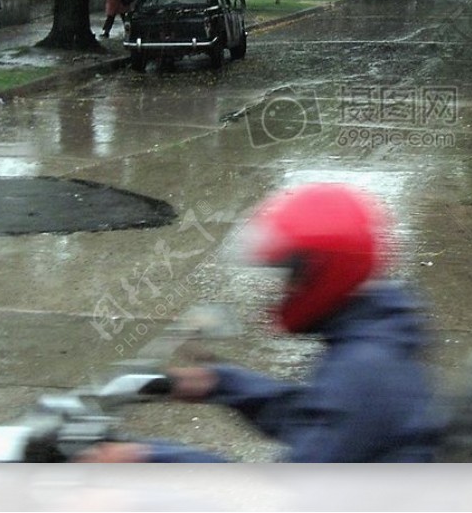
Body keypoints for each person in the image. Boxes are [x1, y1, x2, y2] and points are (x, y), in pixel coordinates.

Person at [78, 182, 444, 463]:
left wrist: (144, 459)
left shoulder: (364, 370)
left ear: (323, 271)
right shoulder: (371, 342)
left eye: (290, 277)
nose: (284, 291)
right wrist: (219, 382)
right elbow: (311, 418)